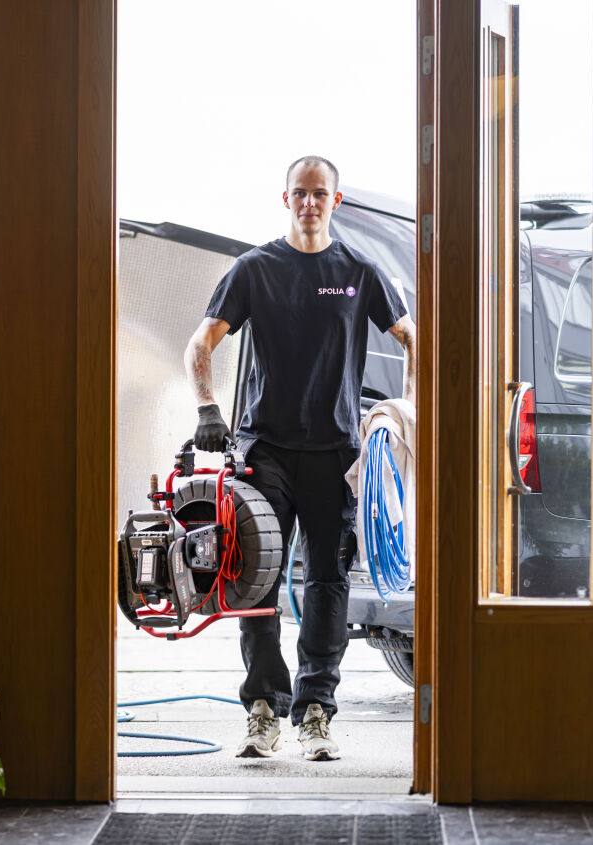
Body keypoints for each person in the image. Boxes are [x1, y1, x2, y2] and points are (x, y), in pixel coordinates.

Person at [182, 155, 417, 761]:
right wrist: (208, 410)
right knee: (253, 576)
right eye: (300, 193)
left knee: (328, 580)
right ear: (284, 199)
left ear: (334, 202)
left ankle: (315, 710)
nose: (309, 203)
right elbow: (200, 342)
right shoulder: (255, 269)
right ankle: (263, 709)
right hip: (265, 448)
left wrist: (409, 412)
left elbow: (414, 338)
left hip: (336, 451)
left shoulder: (358, 271)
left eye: (320, 194)